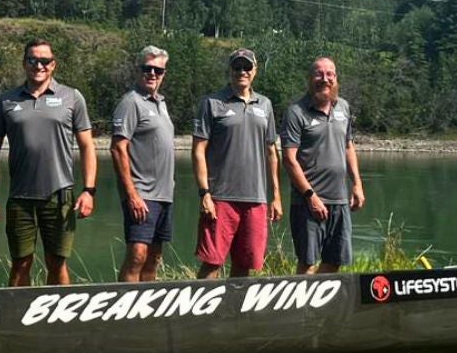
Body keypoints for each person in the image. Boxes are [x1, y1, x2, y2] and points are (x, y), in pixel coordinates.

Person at [0, 39, 96, 286]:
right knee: (20, 262)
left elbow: (87, 146)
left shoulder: (72, 97)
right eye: (32, 60)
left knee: (57, 261)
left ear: (54, 65)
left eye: (44, 61)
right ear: (24, 63)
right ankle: (18, 319)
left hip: (60, 195)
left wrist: (89, 190)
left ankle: (61, 320)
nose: (38, 65)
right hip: (20, 197)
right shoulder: (7, 101)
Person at [191, 48, 282, 279]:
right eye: (237, 67)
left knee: (244, 265)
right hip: (220, 198)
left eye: (247, 67)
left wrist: (276, 196)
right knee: (212, 263)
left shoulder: (266, 105)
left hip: (256, 199)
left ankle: (233, 313)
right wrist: (204, 193)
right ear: (230, 70)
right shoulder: (211, 103)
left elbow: (272, 152)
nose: (242, 71)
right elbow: (198, 150)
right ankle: (201, 313)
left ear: (255, 71)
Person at [281, 56, 365, 274]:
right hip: (307, 202)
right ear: (310, 78)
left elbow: (348, 146)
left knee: (335, 260)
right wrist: (311, 196)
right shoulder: (296, 112)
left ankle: (320, 307)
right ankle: (301, 307)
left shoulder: (343, 108)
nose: (324, 79)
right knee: (307, 263)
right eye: (319, 74)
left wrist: (357, 184)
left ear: (336, 78)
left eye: (330, 74)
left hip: (339, 199)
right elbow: (289, 160)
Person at [110, 45, 175, 282]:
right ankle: (124, 308)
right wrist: (132, 194)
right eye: (147, 68)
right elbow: (118, 149)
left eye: (158, 70)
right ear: (139, 70)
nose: (152, 74)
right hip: (142, 194)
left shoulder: (160, 103)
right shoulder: (131, 102)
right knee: (137, 254)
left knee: (154, 256)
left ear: (164, 74)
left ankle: (147, 309)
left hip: (164, 195)